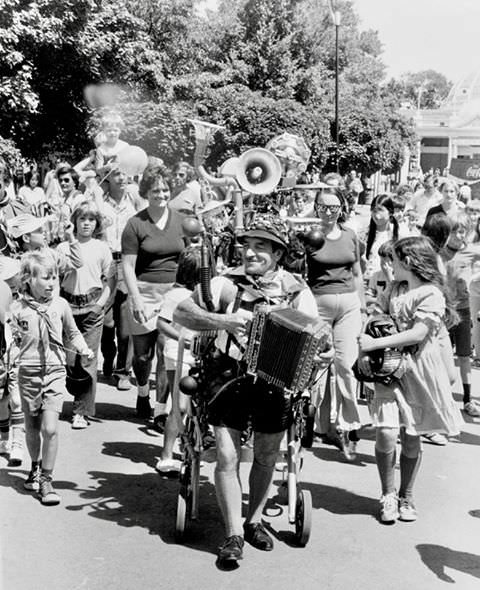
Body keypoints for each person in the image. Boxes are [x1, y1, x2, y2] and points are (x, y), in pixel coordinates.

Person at [174, 213, 321, 564]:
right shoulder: (226, 283)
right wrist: (225, 320)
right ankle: (233, 534)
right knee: (227, 456)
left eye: (261, 248)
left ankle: (253, 521)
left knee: (268, 456)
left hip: (277, 383)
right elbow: (181, 312)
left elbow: (318, 334)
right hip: (228, 377)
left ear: (278, 254)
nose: (251, 253)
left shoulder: (296, 290)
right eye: (247, 246)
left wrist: (323, 350)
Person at [358, 236, 462, 523]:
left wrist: (374, 345)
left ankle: (407, 495)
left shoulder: (431, 294)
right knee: (386, 432)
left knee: (412, 438)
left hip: (419, 372)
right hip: (389, 371)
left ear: (411, 262)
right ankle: (388, 494)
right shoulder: (394, 288)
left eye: (397, 258)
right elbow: (374, 319)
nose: (391, 263)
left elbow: (418, 334)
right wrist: (365, 347)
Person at [11, 251, 92, 505]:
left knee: (51, 428)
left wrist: (83, 349)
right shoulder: (17, 309)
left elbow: (73, 332)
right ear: (28, 280)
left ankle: (47, 479)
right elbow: (11, 340)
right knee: (33, 427)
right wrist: (12, 358)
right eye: (45, 278)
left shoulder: (60, 305)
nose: (51, 283)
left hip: (55, 371)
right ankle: (34, 466)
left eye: (54, 277)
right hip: (28, 373)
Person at [121, 163, 186, 419]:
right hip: (143, 292)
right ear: (146, 192)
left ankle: (160, 411)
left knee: (165, 349)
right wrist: (134, 297)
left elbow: (190, 256)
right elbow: (127, 265)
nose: (161, 195)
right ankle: (142, 390)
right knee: (143, 356)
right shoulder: (135, 224)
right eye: (156, 190)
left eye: (165, 189)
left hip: (172, 293)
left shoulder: (181, 220)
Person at [307, 187, 366, 459]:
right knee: (318, 366)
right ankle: (315, 422)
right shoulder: (309, 236)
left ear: (341, 208)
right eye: (323, 207)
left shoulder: (350, 235)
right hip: (318, 304)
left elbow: (356, 272)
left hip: (349, 305)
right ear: (316, 206)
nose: (328, 212)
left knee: (346, 366)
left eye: (334, 207)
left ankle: (348, 426)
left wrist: (363, 307)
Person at [57, 202, 114, 428]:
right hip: (69, 304)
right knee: (71, 360)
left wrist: (100, 305)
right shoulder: (63, 247)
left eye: (91, 219)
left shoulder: (101, 248)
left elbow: (110, 280)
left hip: (92, 303)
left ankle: (81, 410)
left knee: (88, 358)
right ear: (75, 222)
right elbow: (66, 270)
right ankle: (75, 394)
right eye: (82, 219)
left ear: (97, 223)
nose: (87, 223)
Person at [155, 246, 201, 473]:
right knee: (180, 405)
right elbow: (161, 324)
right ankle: (165, 455)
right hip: (178, 354)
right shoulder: (176, 296)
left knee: (197, 405)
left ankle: (190, 443)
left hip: (199, 355)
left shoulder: (203, 295)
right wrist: (183, 338)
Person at [99, 167, 145, 390]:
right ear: (108, 178)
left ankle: (123, 372)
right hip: (106, 262)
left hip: (128, 262)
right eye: (117, 174)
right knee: (106, 321)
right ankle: (108, 356)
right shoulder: (100, 202)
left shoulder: (135, 202)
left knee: (125, 321)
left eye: (124, 173)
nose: (122, 178)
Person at [442, 214, 480, 417]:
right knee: (442, 357)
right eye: (454, 231)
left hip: (463, 309)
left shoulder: (471, 251)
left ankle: (467, 399)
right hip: (444, 310)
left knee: (465, 356)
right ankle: (442, 398)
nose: (458, 235)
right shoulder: (439, 252)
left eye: (462, 231)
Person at [0, 256, 23, 465]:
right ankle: (5, 438)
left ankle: (18, 443)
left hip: (17, 355)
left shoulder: (22, 302)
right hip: (1, 354)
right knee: (2, 400)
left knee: (16, 399)